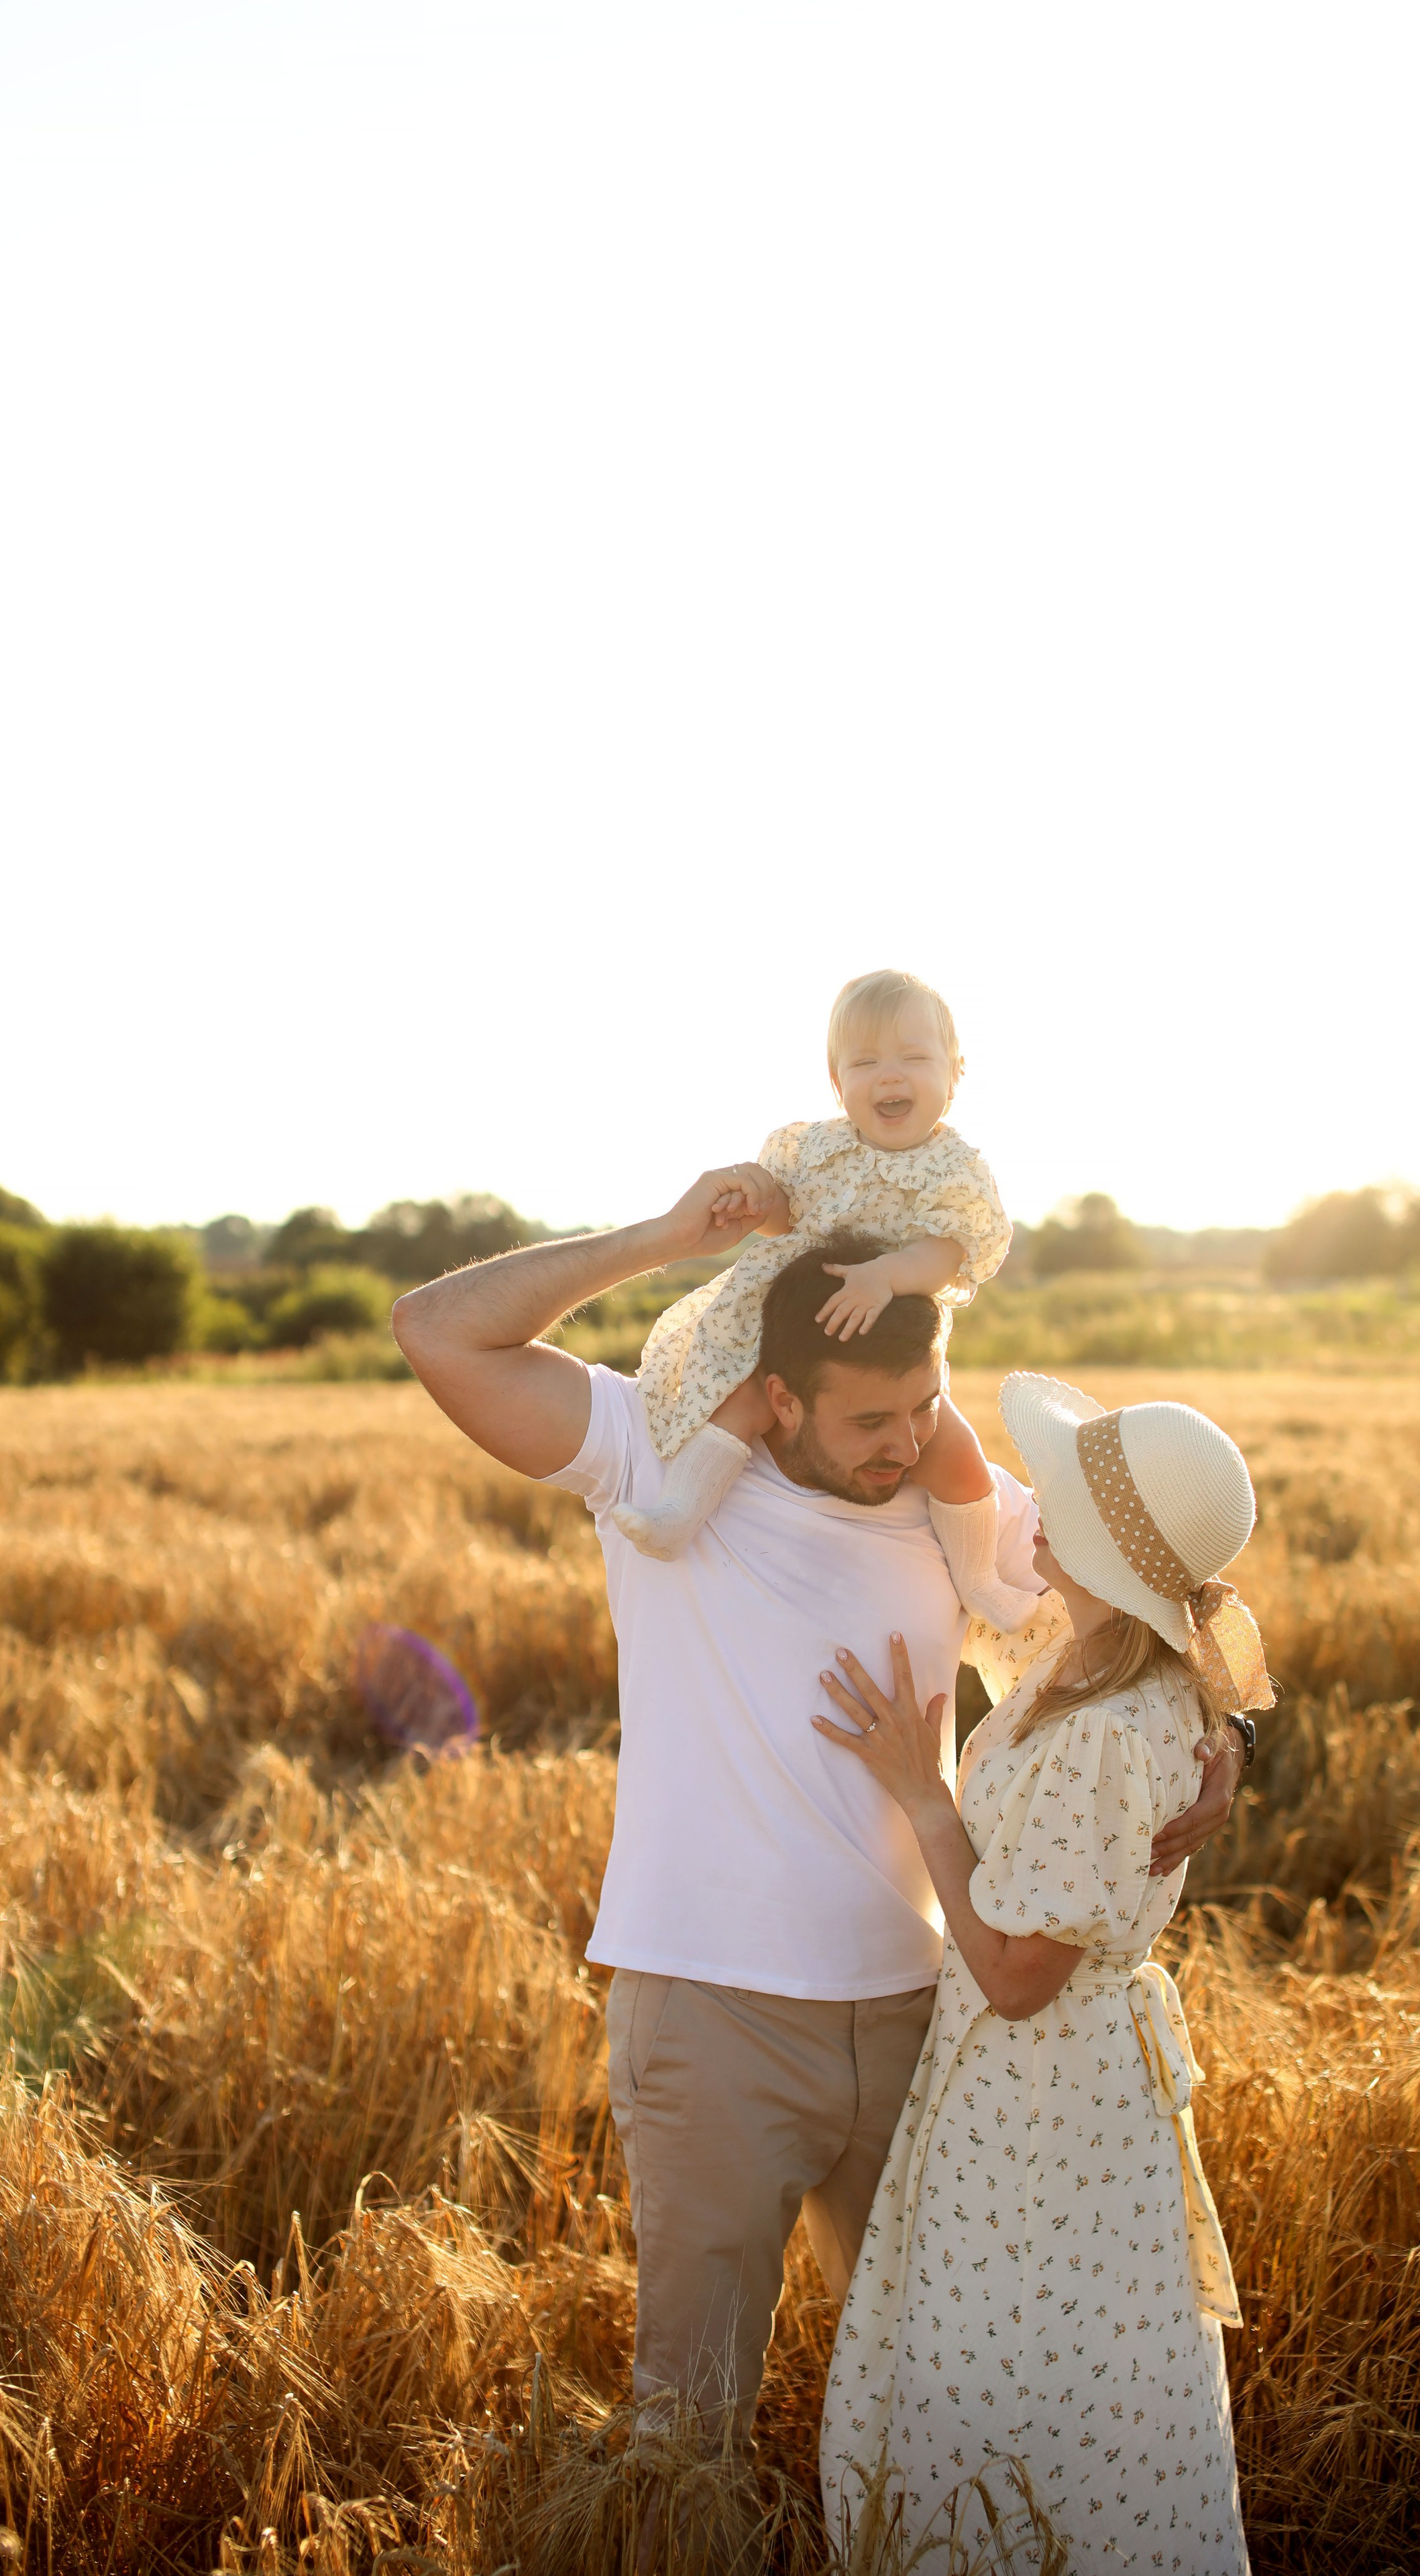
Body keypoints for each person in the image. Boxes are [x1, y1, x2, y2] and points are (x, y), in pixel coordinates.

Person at [392, 1184, 1254, 2451]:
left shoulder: (947, 1498)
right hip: (714, 2010)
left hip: (924, 2015)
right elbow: (437, 1332)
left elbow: (1147, 1602)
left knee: (930, 2403)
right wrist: (664, 1241)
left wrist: (1223, 1740)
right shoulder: (654, 1454)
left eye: (925, 1407)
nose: (904, 1444)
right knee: (690, 2419)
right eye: (869, 1421)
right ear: (780, 1397)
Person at [817, 1374, 1270, 2573]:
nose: (1038, 1500)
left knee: (1019, 2380)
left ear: (1111, 1551)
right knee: (1055, 2373)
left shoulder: (1109, 1730)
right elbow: (953, 1452)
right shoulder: (1087, 1655)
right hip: (1045, 2090)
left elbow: (1021, 1979)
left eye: (1064, 1495)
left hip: (1043, 2103)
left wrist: (925, 1799)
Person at [612, 967, 1036, 1629]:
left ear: (955, 1075)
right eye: (865, 1062)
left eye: (913, 1058)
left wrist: (887, 1275)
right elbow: (790, 1218)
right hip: (796, 1324)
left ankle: (979, 1579)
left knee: (953, 1451)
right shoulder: (815, 1149)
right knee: (743, 1401)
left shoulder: (955, 1169)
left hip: (891, 1349)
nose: (889, 1076)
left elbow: (948, 1252)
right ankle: (677, 1514)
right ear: (838, 1082)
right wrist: (762, 1204)